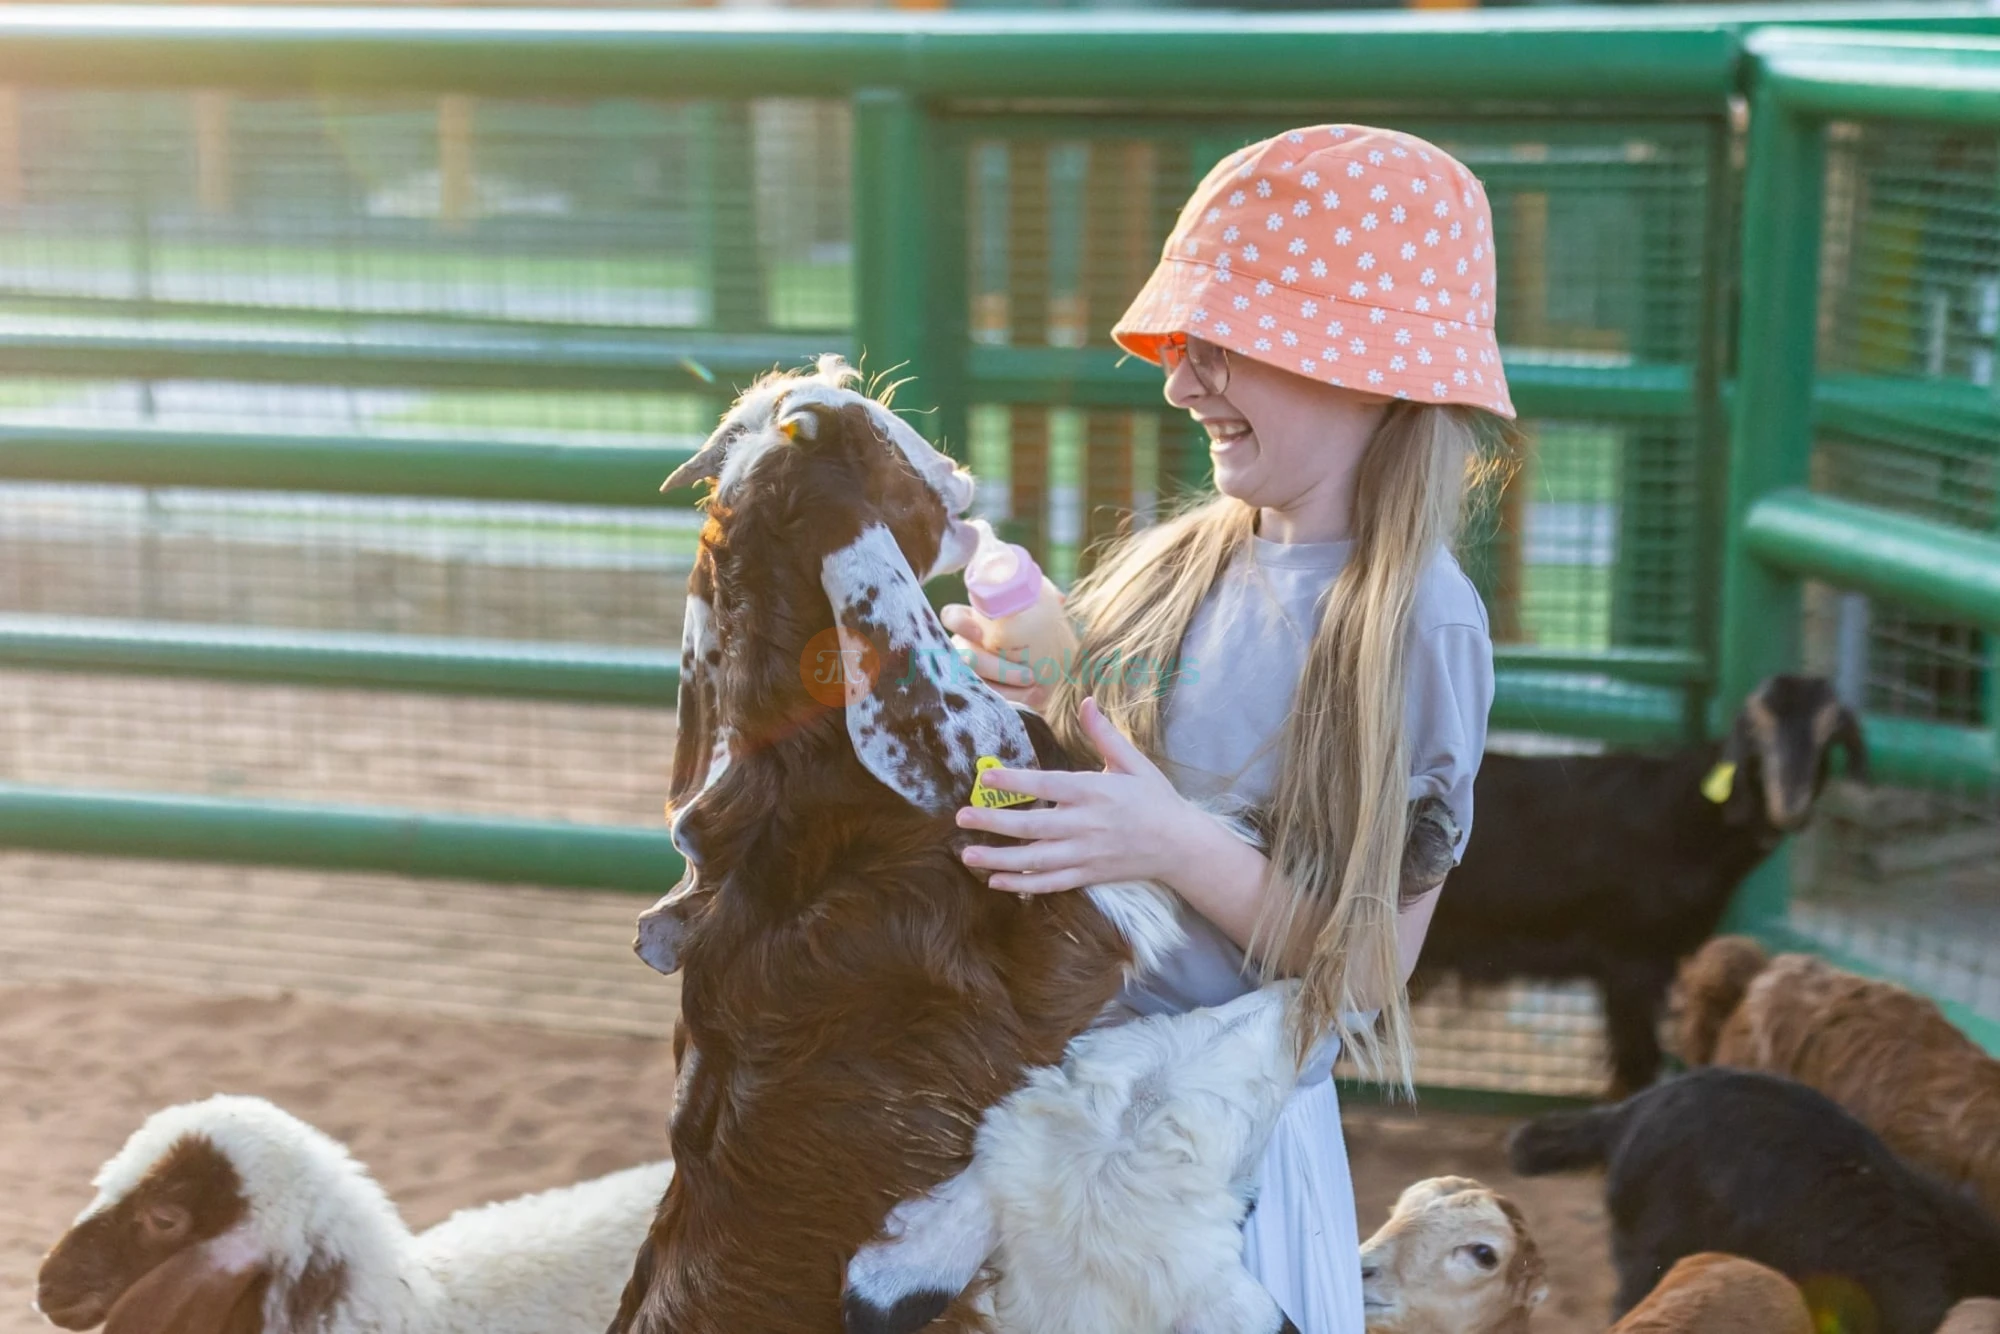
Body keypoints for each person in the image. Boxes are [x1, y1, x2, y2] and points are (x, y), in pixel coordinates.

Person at [941, 124, 1513, 1334]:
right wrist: (1041, 675)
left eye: (1223, 347)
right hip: (1053, 1100)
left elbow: (1363, 966)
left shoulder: (1417, 627)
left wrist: (1168, 842)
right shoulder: (1176, 562)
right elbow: (1124, 754)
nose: (1177, 380)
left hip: (1218, 1161)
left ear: (1364, 367)